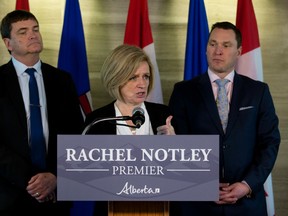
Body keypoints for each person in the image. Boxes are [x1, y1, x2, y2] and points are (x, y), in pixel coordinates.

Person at [169, 21, 280, 216]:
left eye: (226, 45)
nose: (217, 51)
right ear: (205, 49)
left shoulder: (258, 92)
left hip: (247, 204)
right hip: (197, 205)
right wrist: (203, 185)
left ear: (239, 51)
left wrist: (247, 185)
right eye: (213, 44)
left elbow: (269, 142)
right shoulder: (183, 92)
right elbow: (178, 146)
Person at [0, 10, 84, 216]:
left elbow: (76, 135)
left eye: (35, 29)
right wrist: (34, 183)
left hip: (56, 195)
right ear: (8, 43)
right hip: (10, 196)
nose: (32, 35)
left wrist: (55, 177)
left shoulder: (63, 80)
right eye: (23, 31)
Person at [84, 44, 175, 215]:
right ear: (116, 78)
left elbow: (182, 175)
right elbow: (87, 178)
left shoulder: (164, 115)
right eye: (133, 78)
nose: (142, 84)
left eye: (146, 76)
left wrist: (176, 146)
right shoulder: (98, 121)